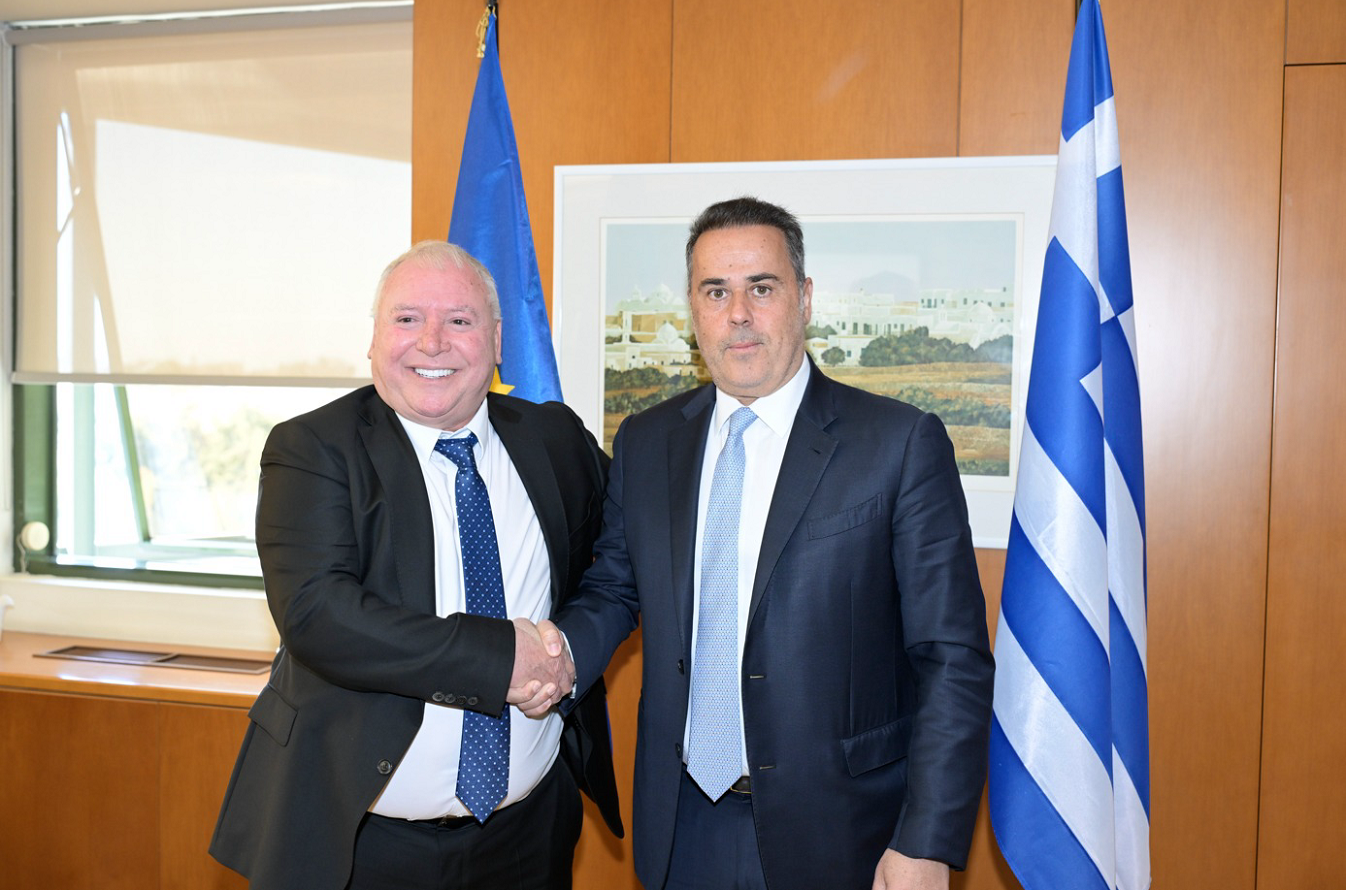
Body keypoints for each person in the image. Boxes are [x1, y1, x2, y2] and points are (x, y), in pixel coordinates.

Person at [547, 197, 994, 890]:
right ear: (692, 309)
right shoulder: (648, 440)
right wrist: (555, 656)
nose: (738, 314)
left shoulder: (898, 443)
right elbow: (614, 588)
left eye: (761, 287)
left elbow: (952, 660)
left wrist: (926, 840)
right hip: (681, 825)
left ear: (804, 298)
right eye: (715, 291)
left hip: (843, 834)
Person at [210, 240, 622, 890]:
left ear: (496, 340)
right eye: (407, 319)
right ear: (374, 338)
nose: (432, 342)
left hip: (529, 833)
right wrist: (504, 659)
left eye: (459, 319)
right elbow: (319, 615)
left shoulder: (555, 439)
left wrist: (568, 650)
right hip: (362, 842)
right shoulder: (312, 448)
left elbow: (626, 557)